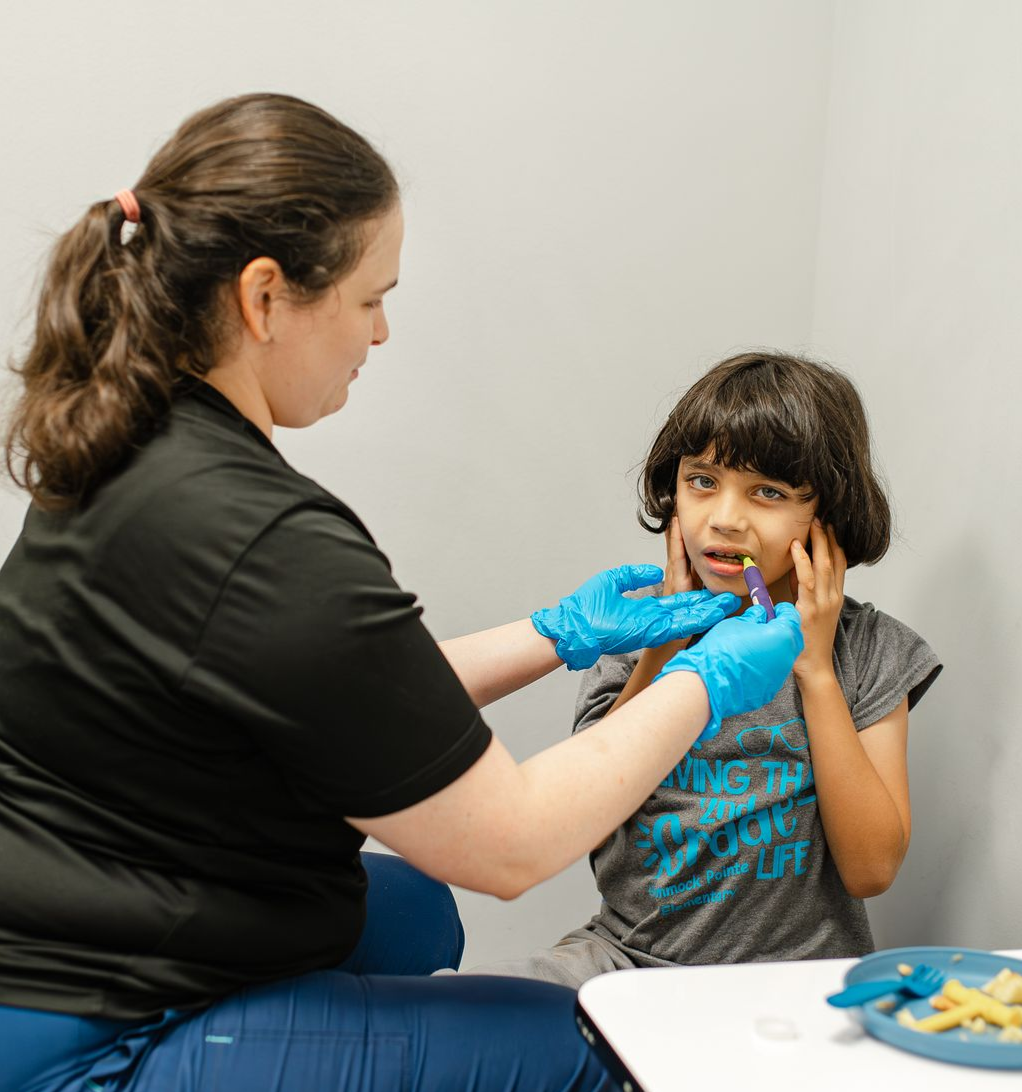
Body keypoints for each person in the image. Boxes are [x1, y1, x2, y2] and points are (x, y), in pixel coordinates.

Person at [0, 96, 805, 1092]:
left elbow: (345, 692)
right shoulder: (262, 536)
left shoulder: (129, 438)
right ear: (264, 299)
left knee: (417, 910)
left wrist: (557, 633)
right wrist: (708, 682)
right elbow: (511, 844)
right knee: (587, 1049)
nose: (379, 333)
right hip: (88, 1030)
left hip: (77, 906)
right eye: (370, 297)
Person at [465, 351, 943, 988]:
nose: (724, 517)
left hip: (802, 980)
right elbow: (588, 816)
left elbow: (871, 871)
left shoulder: (872, 652)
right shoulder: (632, 639)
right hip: (625, 961)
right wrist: (666, 646)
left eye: (767, 492)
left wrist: (817, 672)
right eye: (702, 481)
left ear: (825, 515)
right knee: (463, 1012)